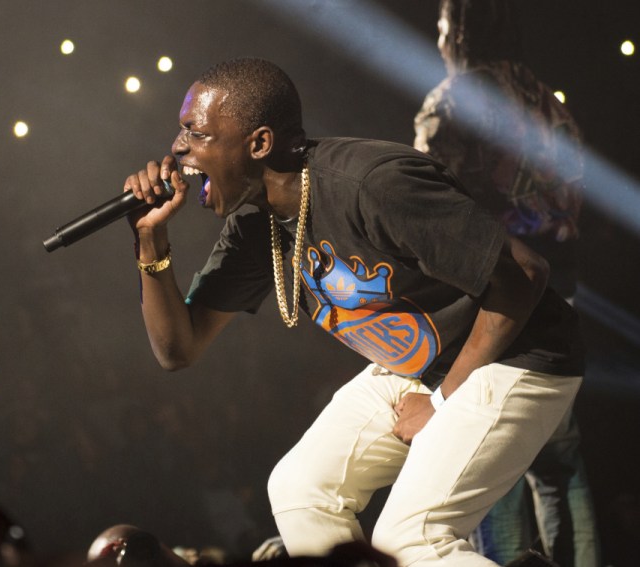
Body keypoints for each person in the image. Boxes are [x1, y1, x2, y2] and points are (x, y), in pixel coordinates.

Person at [123, 57, 583, 566]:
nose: (177, 147)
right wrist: (150, 239)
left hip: (517, 354)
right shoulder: (257, 227)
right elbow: (177, 349)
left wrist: (444, 402)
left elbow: (524, 275)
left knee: (412, 538)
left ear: (258, 143)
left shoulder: (371, 184)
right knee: (300, 488)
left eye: (195, 131)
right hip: (421, 365)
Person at [413, 1, 599, 565]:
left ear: (461, 31)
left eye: (443, 27)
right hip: (559, 283)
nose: (439, 38)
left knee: (491, 450)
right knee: (558, 459)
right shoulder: (541, 94)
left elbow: (425, 199)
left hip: (497, 289)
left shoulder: (455, 97)